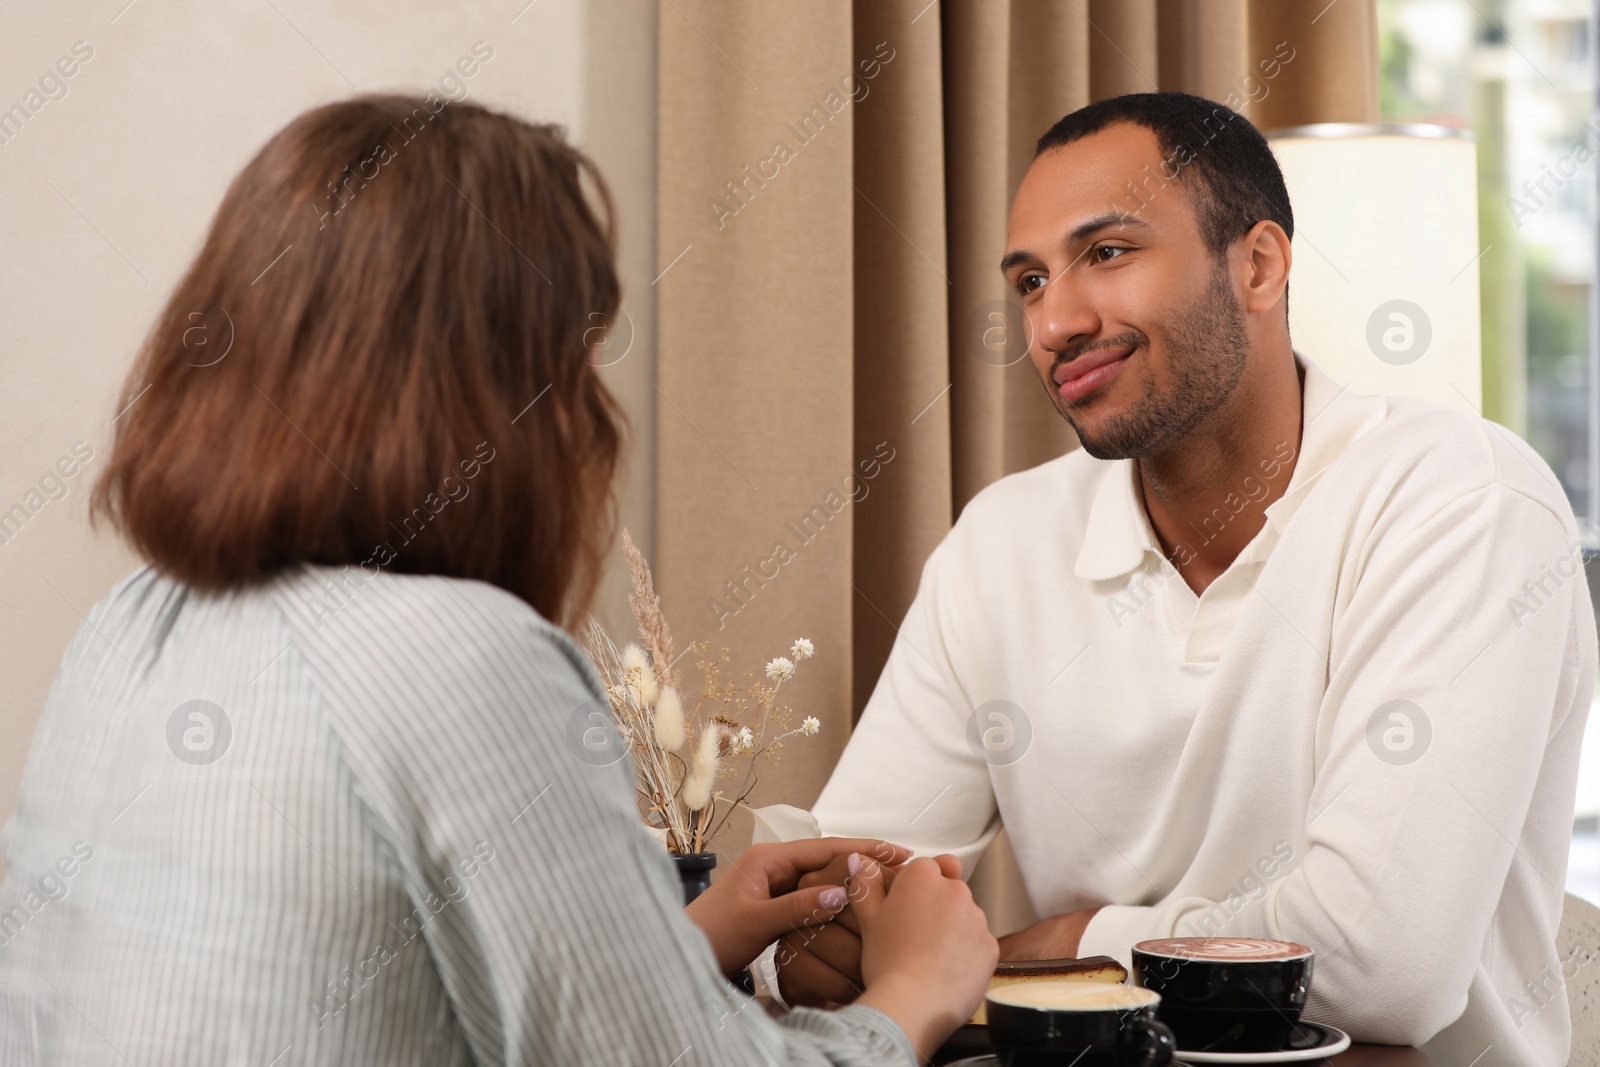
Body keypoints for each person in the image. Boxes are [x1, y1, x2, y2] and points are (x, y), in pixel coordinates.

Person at [0, 94, 997, 1066]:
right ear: (497, 390)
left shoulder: (125, 624)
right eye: (574, 363)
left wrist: (676, 942)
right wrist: (912, 991)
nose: (586, 414)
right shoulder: (459, 653)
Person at [767, 92, 1596, 1067]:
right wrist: (818, 940)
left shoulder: (1461, 503)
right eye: (1030, 280)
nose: (1054, 321)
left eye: (1106, 253)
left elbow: (1381, 962)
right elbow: (850, 887)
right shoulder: (1002, 540)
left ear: (1257, 263)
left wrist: (1066, 942)